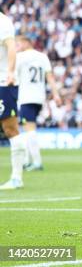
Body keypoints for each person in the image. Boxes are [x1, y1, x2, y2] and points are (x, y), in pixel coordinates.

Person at [14, 35, 61, 171]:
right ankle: (28, 161)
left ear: (24, 43)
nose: (17, 47)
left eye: (18, 44)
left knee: (29, 129)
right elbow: (50, 77)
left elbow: (13, 75)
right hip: (39, 97)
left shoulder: (20, 57)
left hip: (26, 96)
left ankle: (36, 162)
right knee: (28, 128)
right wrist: (56, 94)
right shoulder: (42, 56)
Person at [0, 13, 25, 190]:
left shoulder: (3, 22)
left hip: (3, 82)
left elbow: (11, 47)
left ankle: (17, 177)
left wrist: (10, 72)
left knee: (10, 128)